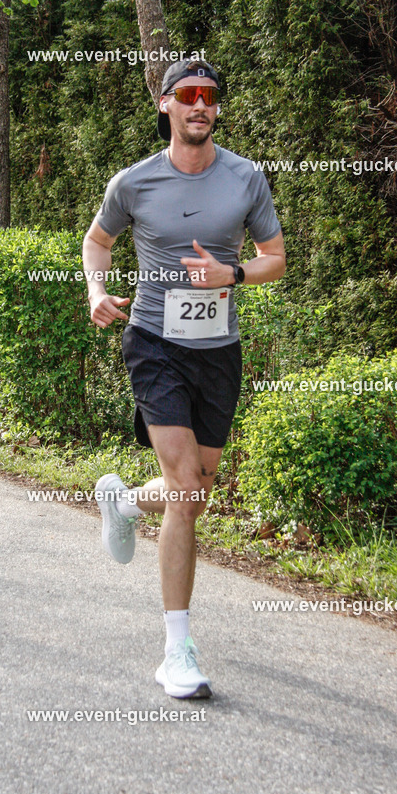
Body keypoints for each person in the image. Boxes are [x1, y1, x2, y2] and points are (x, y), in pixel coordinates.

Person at [82, 58, 285, 699]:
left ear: (216, 108)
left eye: (210, 96)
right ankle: (178, 651)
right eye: (188, 95)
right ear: (166, 105)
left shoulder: (246, 177)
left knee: (198, 484)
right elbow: (98, 241)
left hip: (218, 349)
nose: (200, 105)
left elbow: (274, 259)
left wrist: (235, 275)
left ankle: (123, 501)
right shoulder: (134, 182)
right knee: (185, 489)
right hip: (154, 343)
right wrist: (95, 288)